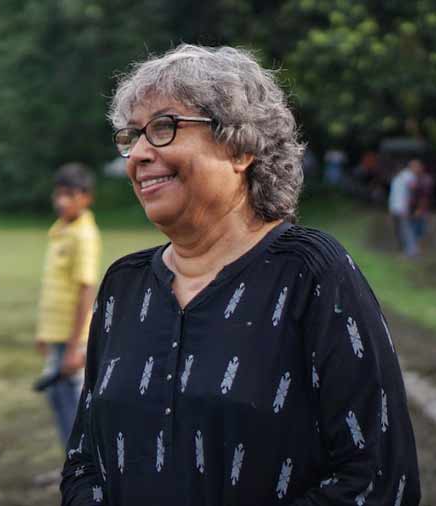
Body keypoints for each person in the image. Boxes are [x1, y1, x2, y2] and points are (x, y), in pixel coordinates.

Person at [62, 45, 420, 506]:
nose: (138, 154)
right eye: (130, 136)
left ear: (240, 147)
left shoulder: (310, 273)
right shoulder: (123, 287)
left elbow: (377, 478)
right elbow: (84, 461)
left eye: (164, 128)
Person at [35, 163, 101, 447]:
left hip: (74, 339)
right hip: (58, 334)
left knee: (74, 406)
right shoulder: (62, 230)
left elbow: (86, 290)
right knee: (58, 398)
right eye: (59, 194)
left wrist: (74, 348)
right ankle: (69, 467)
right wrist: (44, 333)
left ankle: (82, 471)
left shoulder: (84, 236)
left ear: (85, 197)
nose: (62, 201)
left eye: (70, 195)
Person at [389, 160, 420, 257]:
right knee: (406, 230)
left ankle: (408, 251)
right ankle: (411, 251)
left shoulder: (401, 176)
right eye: (418, 167)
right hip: (401, 208)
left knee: (402, 230)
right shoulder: (409, 176)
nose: (419, 169)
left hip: (395, 206)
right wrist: (410, 207)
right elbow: (412, 191)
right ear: (412, 167)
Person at [410, 160, 432, 246]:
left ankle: (416, 251)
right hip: (415, 209)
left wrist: (419, 209)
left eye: (414, 167)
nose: (412, 169)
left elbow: (424, 197)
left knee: (418, 230)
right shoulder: (416, 178)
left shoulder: (424, 180)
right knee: (416, 230)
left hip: (420, 209)